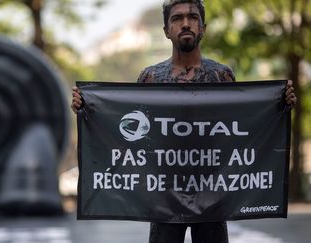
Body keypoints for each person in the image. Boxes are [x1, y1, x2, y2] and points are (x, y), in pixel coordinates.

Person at [71, 0, 297, 242]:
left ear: (203, 28)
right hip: (164, 196)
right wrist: (89, 109)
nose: (186, 23)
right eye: (177, 18)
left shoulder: (221, 75)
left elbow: (242, 125)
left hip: (212, 195)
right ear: (166, 30)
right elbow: (132, 133)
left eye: (193, 17)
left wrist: (279, 103)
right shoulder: (150, 78)